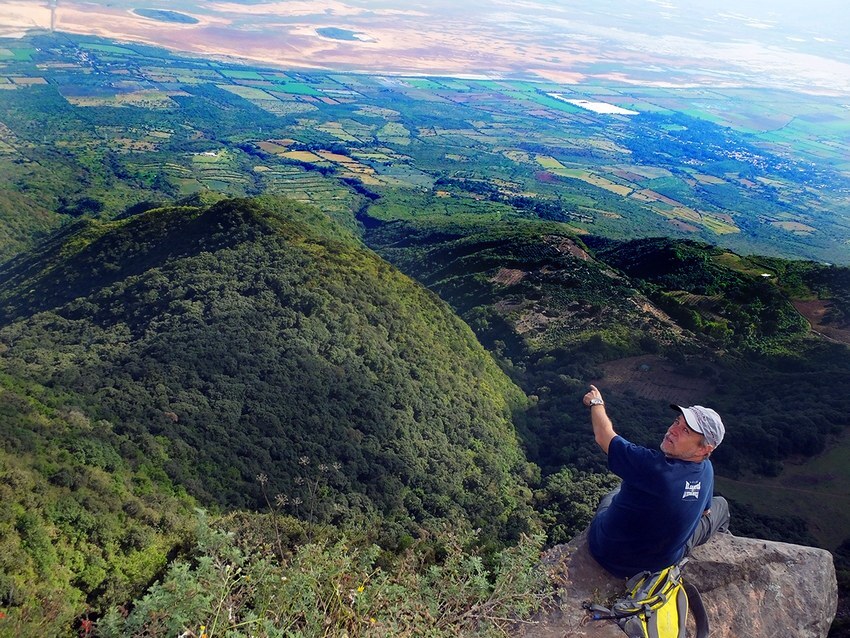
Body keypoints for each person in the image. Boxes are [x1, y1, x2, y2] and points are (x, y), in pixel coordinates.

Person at [583, 384, 730, 578]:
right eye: (677, 422)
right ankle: (725, 541)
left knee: (613, 494)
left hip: (607, 554)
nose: (672, 430)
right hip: (661, 563)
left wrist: (596, 402)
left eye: (686, 431)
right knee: (722, 506)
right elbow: (705, 511)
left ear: (705, 449)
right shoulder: (706, 471)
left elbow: (603, 436)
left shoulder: (653, 468)